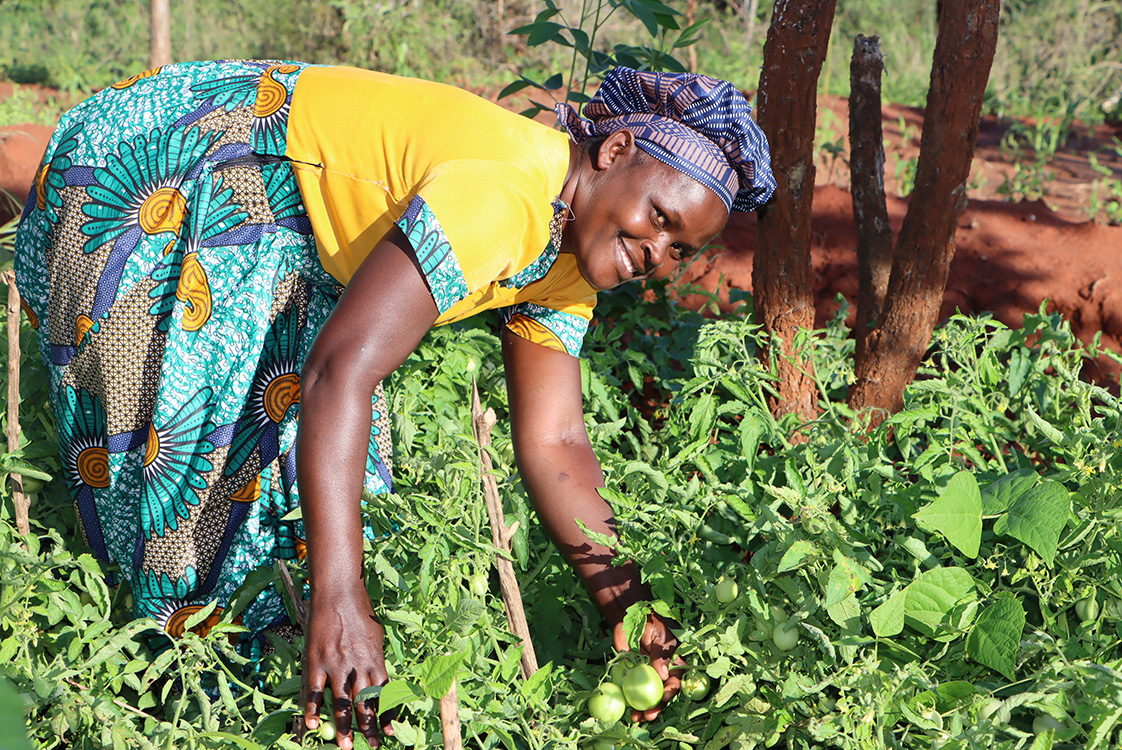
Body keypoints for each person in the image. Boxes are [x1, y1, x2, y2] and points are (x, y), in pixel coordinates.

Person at [13, 60, 774, 746]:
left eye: (680, 251)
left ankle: (269, 697)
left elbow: (557, 444)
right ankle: (163, 710)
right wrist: (340, 598)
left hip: (284, 228)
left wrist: (631, 611)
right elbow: (340, 374)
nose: (658, 256)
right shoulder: (506, 196)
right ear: (613, 156)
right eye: (661, 220)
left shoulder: (570, 257)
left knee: (321, 484)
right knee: (188, 466)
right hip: (178, 161)